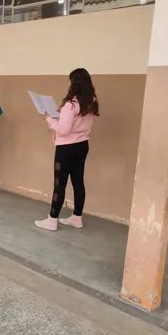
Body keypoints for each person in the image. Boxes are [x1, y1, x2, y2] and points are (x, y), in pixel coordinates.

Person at [35, 68, 100, 231]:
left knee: (59, 184)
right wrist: (61, 115)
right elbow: (74, 122)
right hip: (82, 145)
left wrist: (49, 119)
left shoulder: (71, 104)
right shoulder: (91, 101)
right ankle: (77, 217)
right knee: (78, 181)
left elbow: (63, 130)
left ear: (74, 83)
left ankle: (52, 221)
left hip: (66, 148)